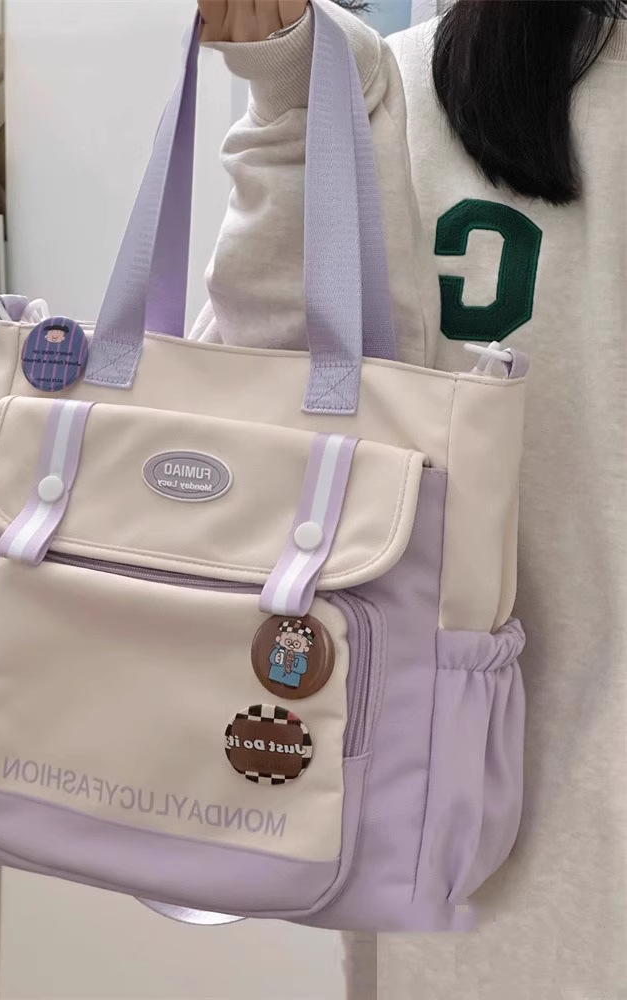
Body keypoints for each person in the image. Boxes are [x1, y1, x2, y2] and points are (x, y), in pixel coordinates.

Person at [192, 1, 627, 998]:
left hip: (454, 842)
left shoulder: (391, 85)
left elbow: (255, 433)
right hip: (476, 855)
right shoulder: (388, 88)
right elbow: (262, 437)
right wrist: (292, 106)